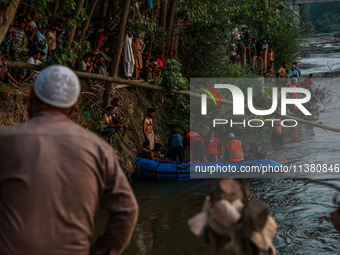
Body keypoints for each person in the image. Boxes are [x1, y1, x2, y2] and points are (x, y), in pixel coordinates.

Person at [0, 65, 138, 255]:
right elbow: (127, 210)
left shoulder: (5, 142)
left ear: (30, 97)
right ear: (73, 107)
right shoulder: (99, 150)